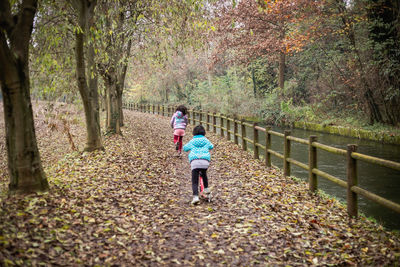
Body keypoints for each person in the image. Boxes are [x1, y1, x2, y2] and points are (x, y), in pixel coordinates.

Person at [183, 125, 214, 205]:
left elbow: (185, 148)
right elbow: (211, 146)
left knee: (194, 181)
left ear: (194, 133)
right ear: (204, 133)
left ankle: (196, 197)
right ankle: (206, 189)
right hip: (205, 161)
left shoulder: (192, 141)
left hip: (195, 162)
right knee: (204, 175)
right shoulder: (206, 140)